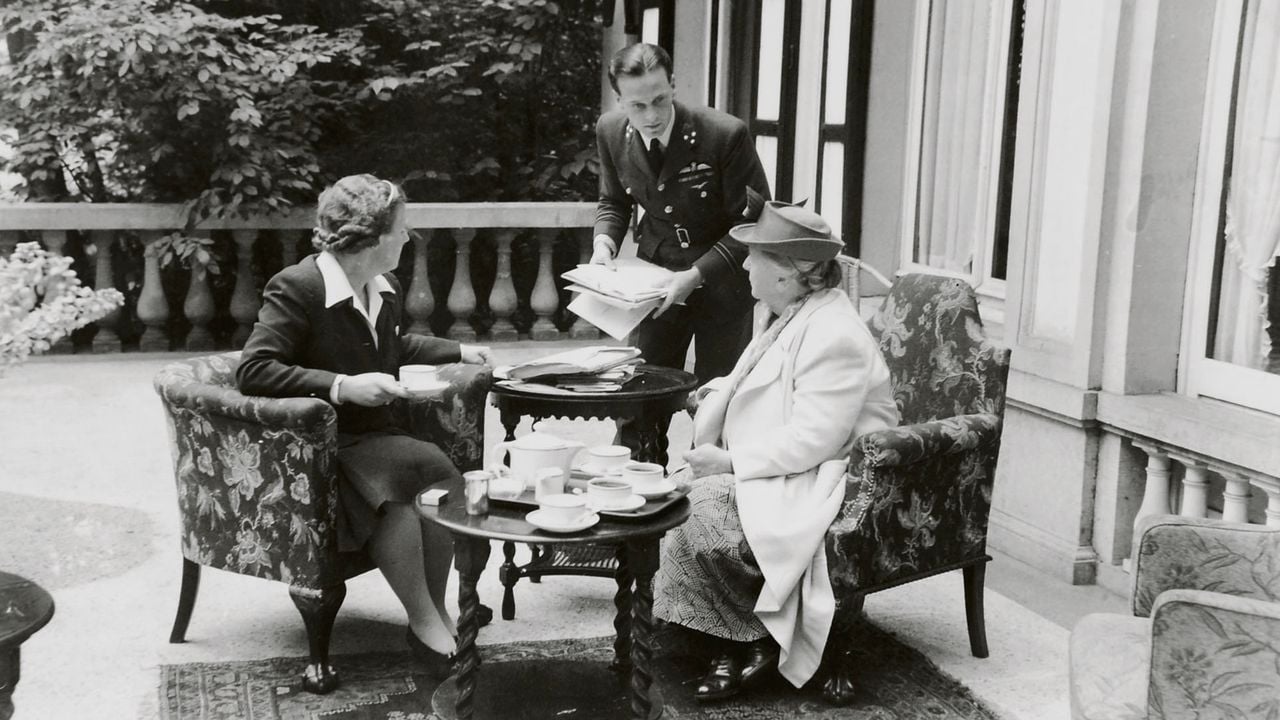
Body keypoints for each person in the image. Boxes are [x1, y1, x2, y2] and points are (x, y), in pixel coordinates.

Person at [236, 174, 494, 678]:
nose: (407, 237)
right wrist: (341, 386)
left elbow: (393, 345)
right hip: (317, 442)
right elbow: (255, 368)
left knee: (438, 478)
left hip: (372, 435)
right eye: (400, 229)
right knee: (396, 495)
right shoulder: (299, 286)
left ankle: (437, 612)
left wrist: (459, 350)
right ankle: (423, 622)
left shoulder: (383, 287)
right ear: (371, 238)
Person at [653, 201, 900, 701]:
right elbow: (764, 380)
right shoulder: (793, 313)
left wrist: (729, 462)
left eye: (755, 256)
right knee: (666, 497)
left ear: (789, 273)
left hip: (825, 477)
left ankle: (751, 640)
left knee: (695, 508)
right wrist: (719, 394)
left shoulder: (834, 334)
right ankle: (730, 636)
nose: (744, 264)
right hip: (790, 467)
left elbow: (815, 439)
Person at [591, 42, 771, 455]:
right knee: (642, 391)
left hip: (723, 281)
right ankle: (638, 477)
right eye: (637, 106)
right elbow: (613, 201)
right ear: (619, 99)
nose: (651, 116)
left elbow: (753, 222)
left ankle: (704, 486)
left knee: (717, 400)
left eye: (659, 99)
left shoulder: (723, 135)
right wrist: (604, 244)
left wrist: (697, 275)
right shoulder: (611, 131)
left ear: (673, 85)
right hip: (657, 281)